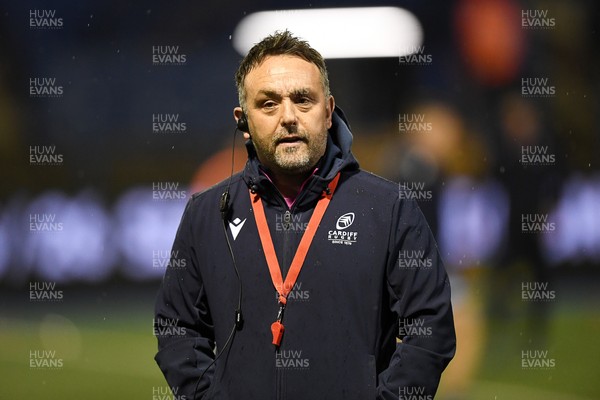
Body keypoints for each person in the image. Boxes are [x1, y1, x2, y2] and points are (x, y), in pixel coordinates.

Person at [154, 30, 456, 400]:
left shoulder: (388, 208)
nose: (288, 117)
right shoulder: (207, 214)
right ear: (243, 121)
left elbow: (430, 326)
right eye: (267, 104)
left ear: (328, 111)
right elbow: (176, 327)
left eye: (303, 100)